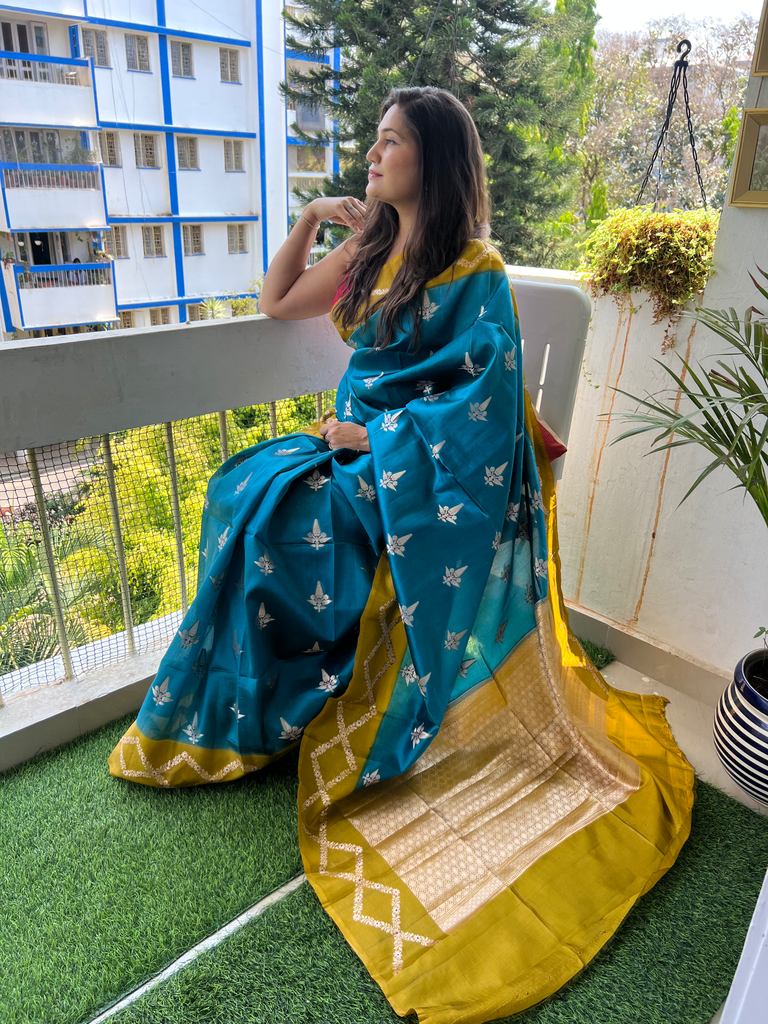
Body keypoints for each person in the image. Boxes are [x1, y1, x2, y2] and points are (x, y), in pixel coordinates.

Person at [108, 86, 693, 1023]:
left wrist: (369, 447)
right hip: (354, 444)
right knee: (243, 495)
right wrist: (307, 218)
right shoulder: (371, 247)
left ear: (437, 159)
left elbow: (481, 411)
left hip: (406, 472)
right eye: (373, 142)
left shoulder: (478, 270)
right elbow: (276, 301)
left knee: (291, 528)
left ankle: (295, 701)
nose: (373, 156)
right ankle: (260, 707)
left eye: (391, 143)